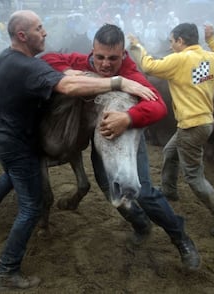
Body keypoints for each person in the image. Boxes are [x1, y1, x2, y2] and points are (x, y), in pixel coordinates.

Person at [0, 10, 160, 291]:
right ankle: (7, 270)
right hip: (18, 143)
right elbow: (67, 85)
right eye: (39, 28)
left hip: (4, 138)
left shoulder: (8, 57)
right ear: (22, 36)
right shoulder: (26, 66)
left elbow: (60, 65)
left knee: (11, 177)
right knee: (31, 206)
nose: (45, 32)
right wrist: (119, 82)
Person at [41, 23, 200, 271]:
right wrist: (73, 73)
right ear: (92, 50)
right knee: (108, 188)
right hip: (98, 138)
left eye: (113, 59)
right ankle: (140, 225)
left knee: (143, 192)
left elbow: (158, 106)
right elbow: (48, 58)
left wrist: (128, 118)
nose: (105, 64)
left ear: (123, 54)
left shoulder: (132, 73)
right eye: (100, 57)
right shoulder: (86, 61)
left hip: (125, 139)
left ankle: (181, 239)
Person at [130, 23, 214, 240]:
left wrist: (137, 45)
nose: (171, 46)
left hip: (191, 126)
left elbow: (148, 66)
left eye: (172, 41)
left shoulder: (179, 59)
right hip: (203, 123)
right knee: (170, 152)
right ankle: (169, 189)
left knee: (195, 177)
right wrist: (212, 39)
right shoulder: (210, 57)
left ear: (181, 41)